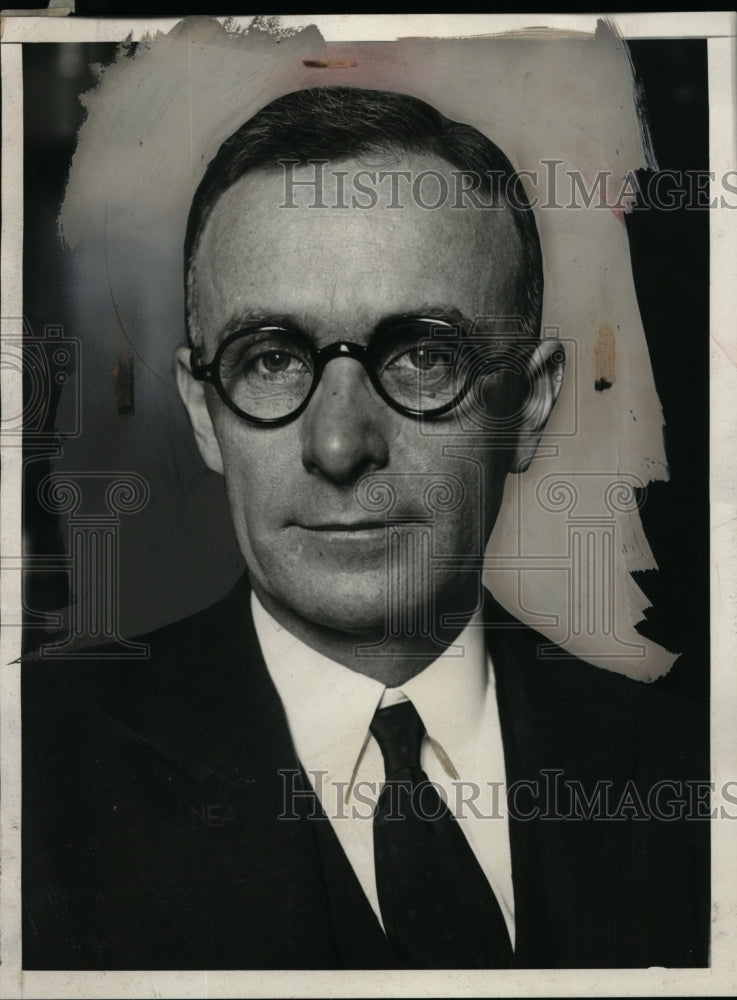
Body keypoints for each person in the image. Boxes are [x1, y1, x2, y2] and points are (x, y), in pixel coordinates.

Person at [22, 86, 709, 971]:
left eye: (422, 356)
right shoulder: (33, 772)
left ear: (528, 405)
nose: (340, 445)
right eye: (271, 359)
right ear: (202, 413)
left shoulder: (688, 776)